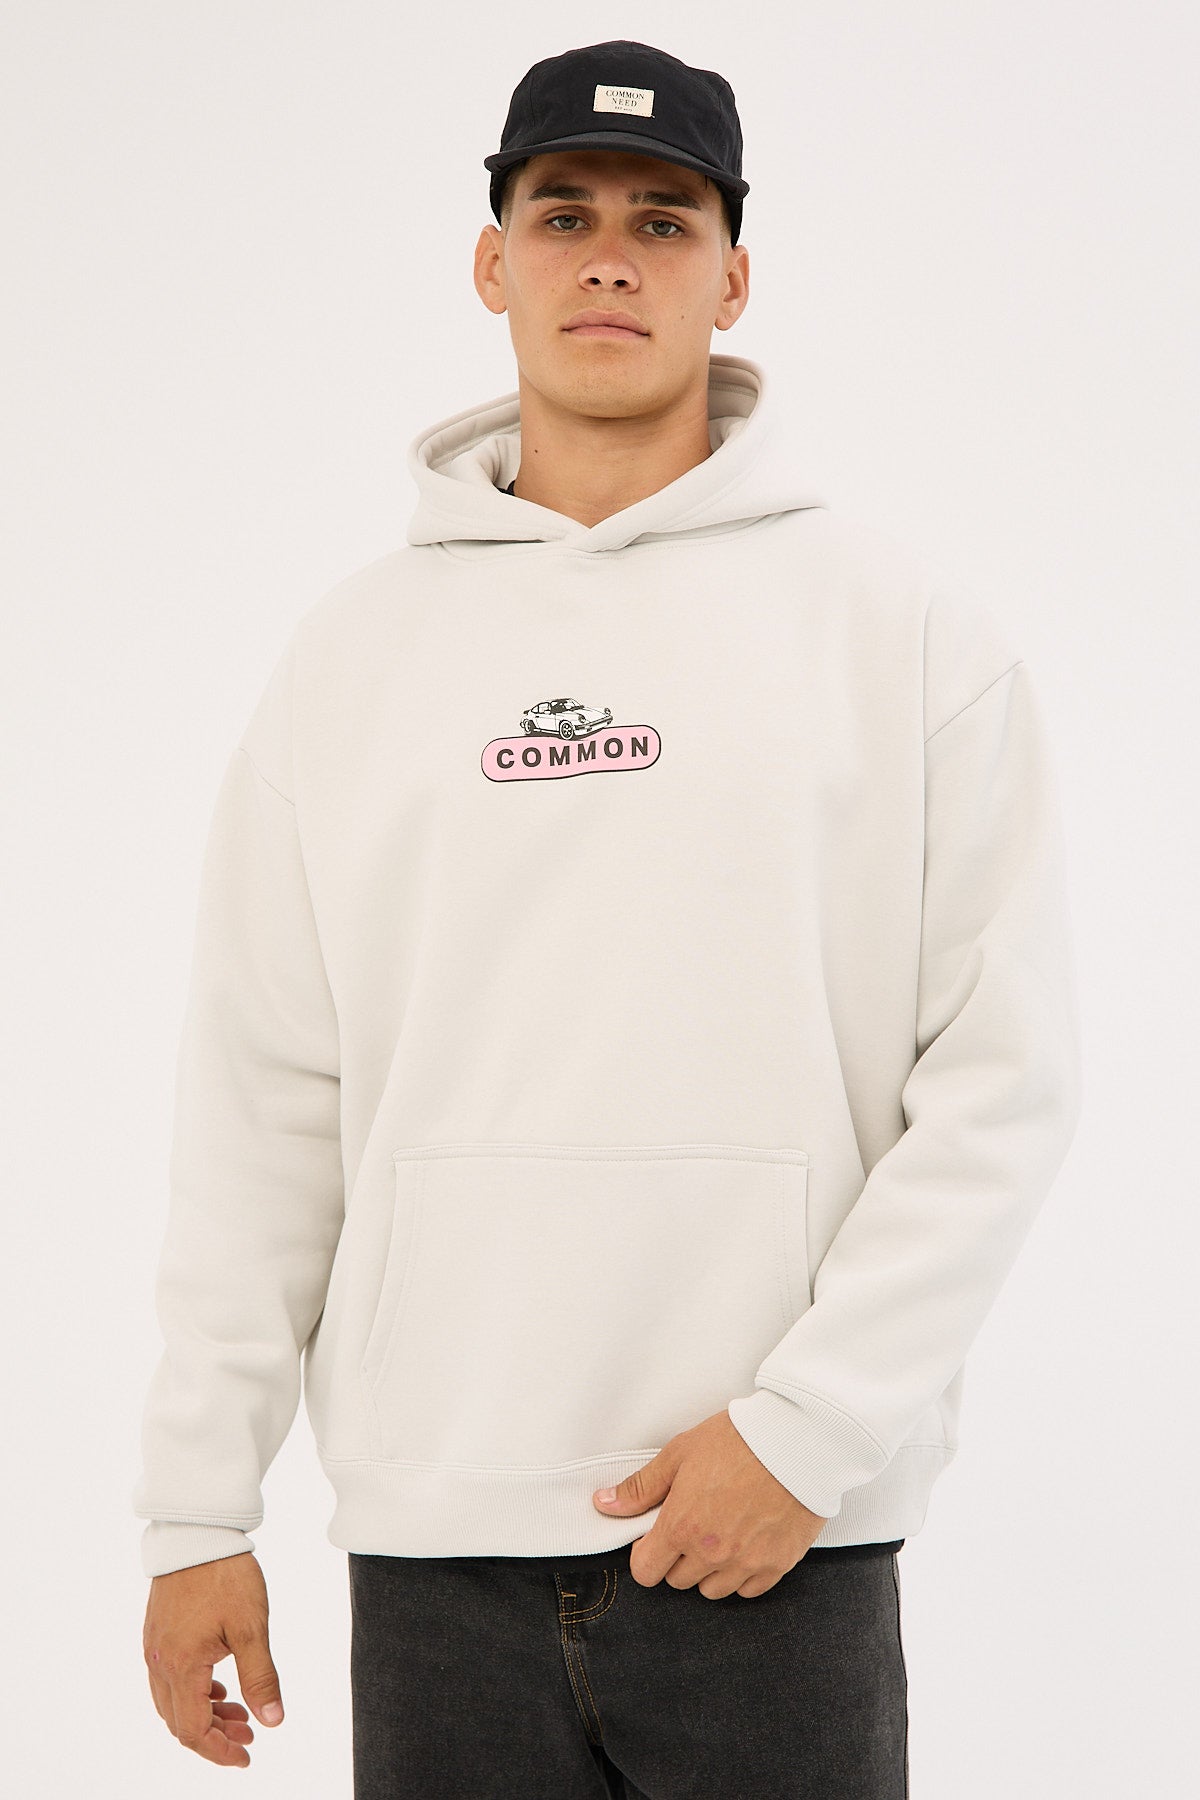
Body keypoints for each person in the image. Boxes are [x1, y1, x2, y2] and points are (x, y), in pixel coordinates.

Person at [134, 38, 1082, 1799]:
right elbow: (264, 1100)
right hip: (436, 1546)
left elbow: (1003, 1079)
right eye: (562, 215)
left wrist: (805, 1431)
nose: (611, 259)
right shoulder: (350, 659)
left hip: (773, 1537)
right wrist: (199, 1509)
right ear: (492, 264)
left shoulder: (901, 634)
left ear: (734, 276)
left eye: (665, 219)